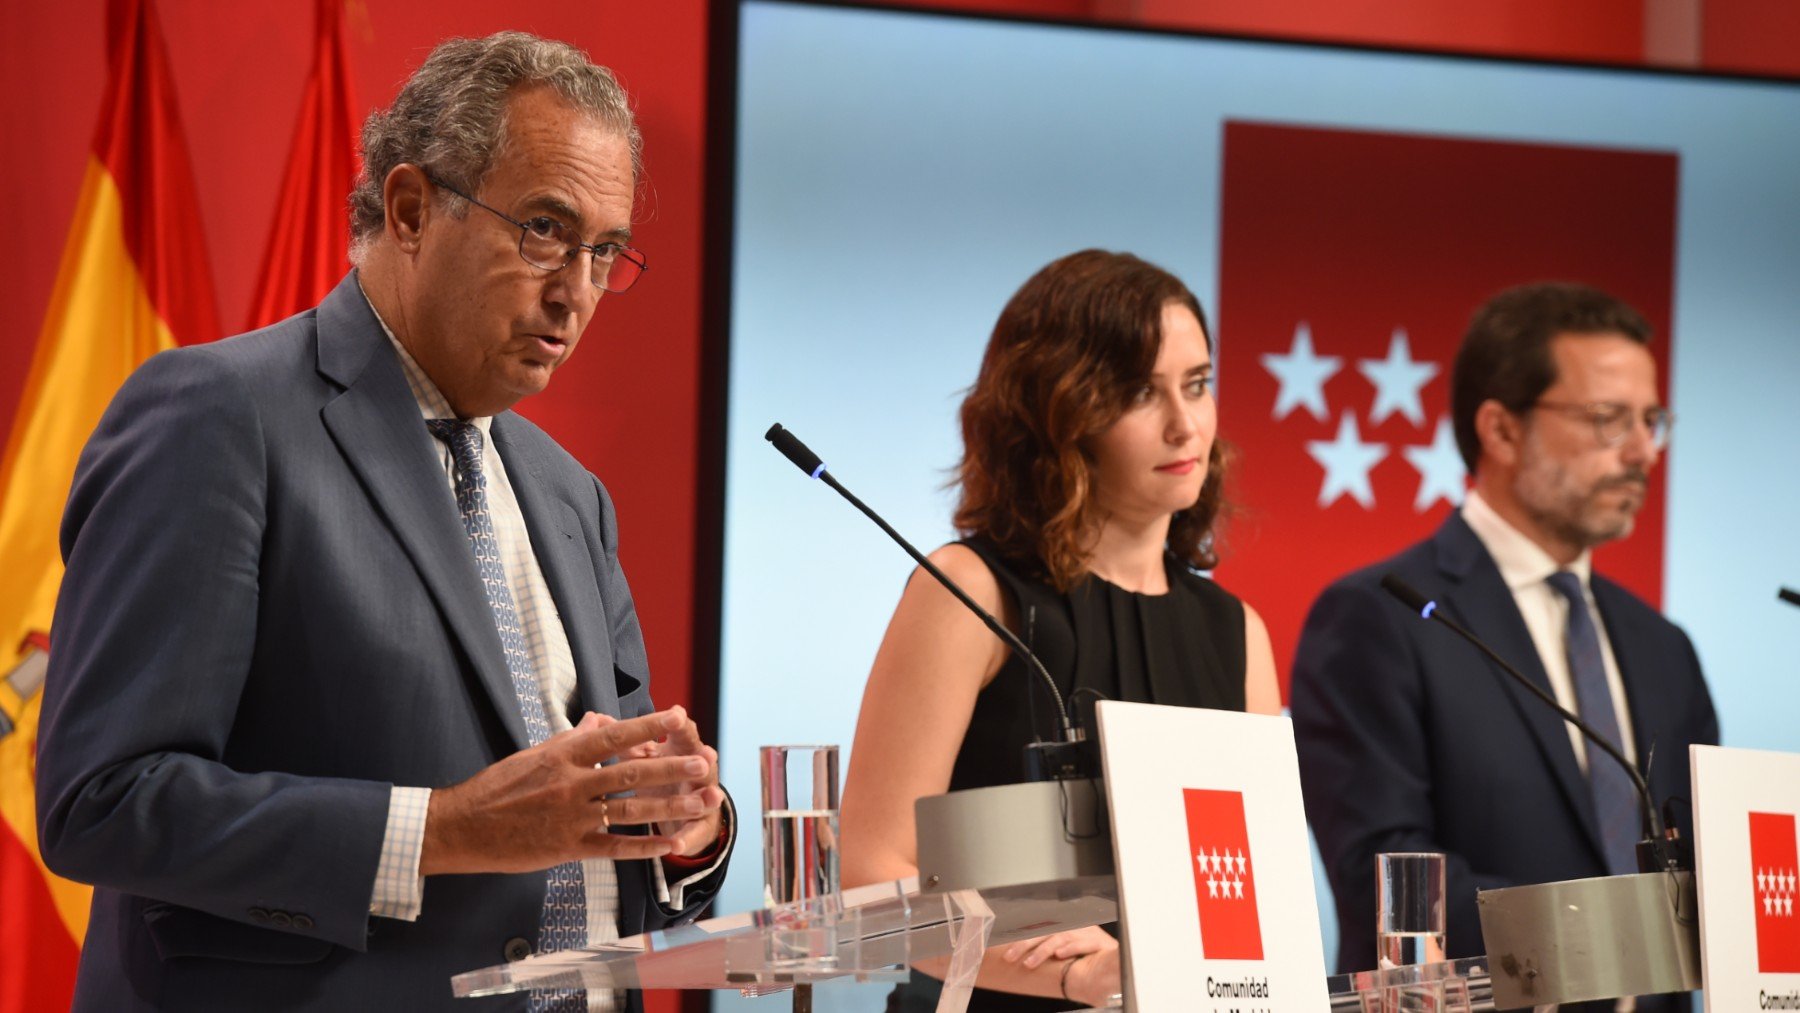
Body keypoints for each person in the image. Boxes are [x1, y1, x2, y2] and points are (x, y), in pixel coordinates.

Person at [35, 33, 732, 1012]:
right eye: (543, 228)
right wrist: (443, 828)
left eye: (603, 251)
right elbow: (100, 800)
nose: (576, 290)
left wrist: (678, 822)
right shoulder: (217, 418)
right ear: (410, 208)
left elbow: (591, 806)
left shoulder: (571, 495)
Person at [839, 250, 1282, 1011]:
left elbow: (1254, 903)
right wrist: (1070, 974)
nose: (1186, 424)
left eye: (1198, 384)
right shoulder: (969, 592)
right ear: (1059, 412)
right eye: (1143, 392)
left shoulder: (1237, 632)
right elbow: (873, 875)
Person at [1289, 282, 1717, 1009]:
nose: (1645, 450)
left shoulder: (1663, 646)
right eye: (1609, 420)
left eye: (1652, 420)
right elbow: (1386, 881)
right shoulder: (1380, 618)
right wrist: (1608, 940)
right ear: (1501, 429)